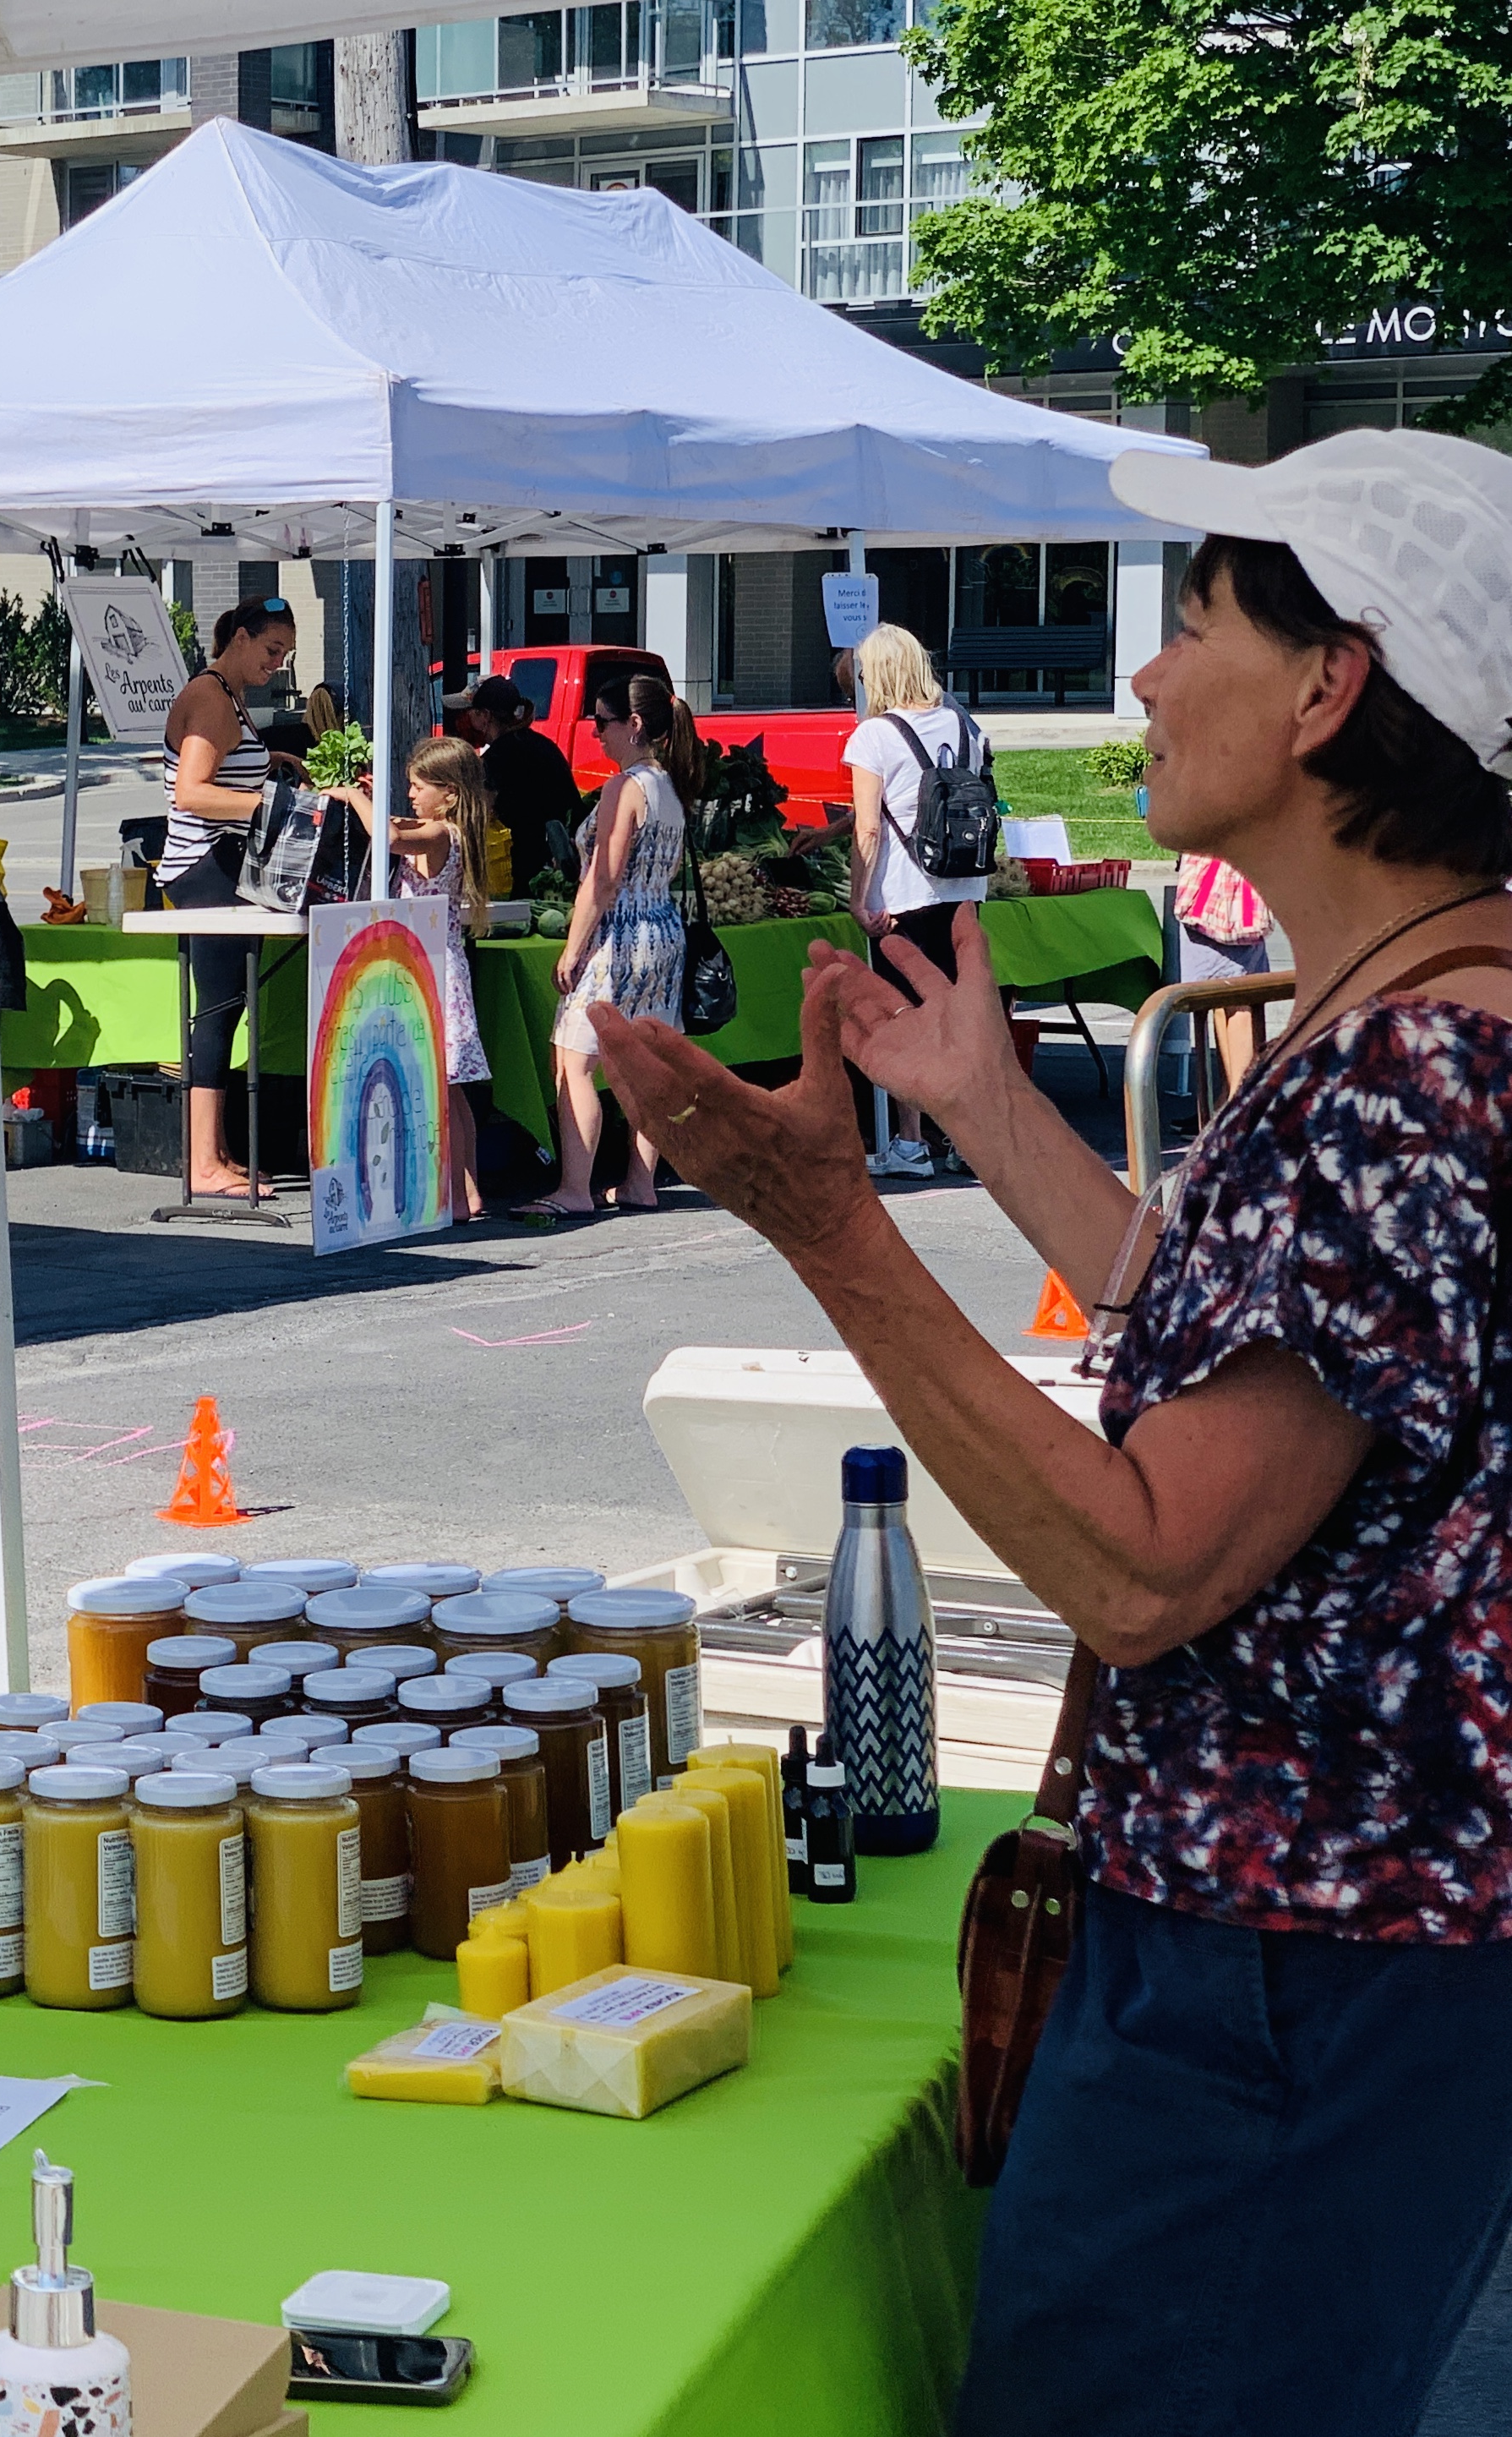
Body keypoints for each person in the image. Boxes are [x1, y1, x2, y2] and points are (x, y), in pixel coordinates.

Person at [582, 427, 1512, 2437]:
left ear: (1332, 683)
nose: (1148, 679)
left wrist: (828, 1223)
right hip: (1324, 1978)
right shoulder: (1423, 1006)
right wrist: (993, 1106)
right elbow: (1251, 1327)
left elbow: (1145, 1556)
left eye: (1192, 625)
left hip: (1285, 1988)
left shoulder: (1408, 1068)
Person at [159, 599, 371, 1196]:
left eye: (285, 655)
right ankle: (202, 1161)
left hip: (220, 863)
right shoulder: (207, 697)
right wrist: (273, 804)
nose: (277, 665)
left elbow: (221, 776)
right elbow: (191, 793)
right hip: (202, 867)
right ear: (241, 637)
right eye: (271, 650)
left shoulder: (227, 697)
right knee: (218, 1007)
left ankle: (215, 1150)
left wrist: (268, 766)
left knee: (226, 1006)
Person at [520, 673, 704, 1219]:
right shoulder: (670, 786)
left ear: (634, 724)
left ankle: (574, 1188)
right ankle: (638, 1182)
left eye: (601, 722)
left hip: (618, 934)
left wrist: (572, 950)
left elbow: (603, 878)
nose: (595, 733)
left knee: (575, 1061)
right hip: (662, 930)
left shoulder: (622, 788)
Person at [841, 621, 994, 1179]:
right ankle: (962, 1134)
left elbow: (868, 828)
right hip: (963, 890)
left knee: (905, 1016)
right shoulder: (964, 724)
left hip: (901, 896)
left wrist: (857, 898)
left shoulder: (873, 736)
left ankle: (909, 1142)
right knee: (955, 1017)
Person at [398, 735, 499, 1219]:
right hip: (440, 964)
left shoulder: (440, 835)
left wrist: (352, 796)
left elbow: (394, 837)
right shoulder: (450, 832)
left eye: (419, 787)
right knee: (452, 1091)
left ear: (450, 794)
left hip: (432, 969)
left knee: (442, 1088)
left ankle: (457, 1197)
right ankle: (469, 1190)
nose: (412, 795)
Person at [449, 672, 579, 897]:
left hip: (521, 867)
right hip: (559, 865)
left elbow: (478, 814)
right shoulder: (544, 745)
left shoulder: (497, 757)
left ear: (484, 716)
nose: (464, 719)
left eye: (469, 712)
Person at [1173, 849, 1274, 1094]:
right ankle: (1231, 1095)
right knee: (1229, 999)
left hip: (1219, 893)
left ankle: (1237, 1099)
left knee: (1237, 1002)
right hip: (1224, 891)